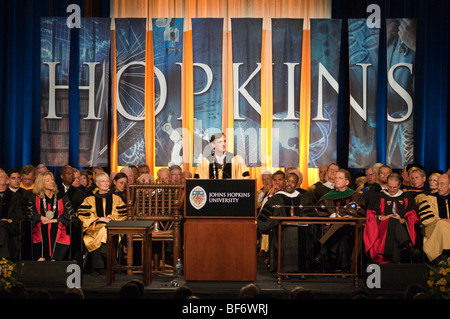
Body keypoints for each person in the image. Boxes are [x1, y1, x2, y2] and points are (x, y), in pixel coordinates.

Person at [257, 173, 317, 275]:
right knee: (288, 231)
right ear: (285, 181)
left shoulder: (304, 198)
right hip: (281, 230)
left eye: (293, 182)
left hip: (302, 230)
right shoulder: (276, 198)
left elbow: (312, 218)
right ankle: (283, 269)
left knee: (303, 233)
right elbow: (262, 220)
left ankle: (302, 270)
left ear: (297, 183)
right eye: (288, 181)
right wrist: (278, 221)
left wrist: (300, 220)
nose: (289, 184)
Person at [315, 169, 366, 272]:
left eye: (340, 178)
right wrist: (330, 217)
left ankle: (322, 248)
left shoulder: (355, 195)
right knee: (343, 236)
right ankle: (344, 268)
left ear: (347, 182)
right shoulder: (328, 196)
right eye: (335, 178)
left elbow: (358, 210)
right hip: (336, 227)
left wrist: (337, 214)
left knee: (343, 224)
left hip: (353, 226)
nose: (336, 180)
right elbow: (321, 211)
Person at [363, 173, 421, 263]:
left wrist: (403, 220)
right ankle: (408, 247)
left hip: (402, 226)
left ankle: (394, 259)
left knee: (394, 221)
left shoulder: (406, 197)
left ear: (399, 185)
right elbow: (371, 215)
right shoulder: (379, 196)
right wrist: (382, 217)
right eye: (390, 187)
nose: (392, 190)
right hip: (382, 227)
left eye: (395, 187)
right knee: (392, 220)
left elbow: (412, 215)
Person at [77, 172, 127, 275]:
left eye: (107, 181)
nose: (106, 183)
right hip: (93, 227)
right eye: (102, 181)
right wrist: (99, 219)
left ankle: (98, 266)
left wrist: (110, 218)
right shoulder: (89, 200)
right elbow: (83, 216)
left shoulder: (116, 199)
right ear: (97, 183)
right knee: (103, 229)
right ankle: (111, 261)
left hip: (113, 227)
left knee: (105, 229)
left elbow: (122, 215)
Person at [28, 172, 72, 261]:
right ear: (41, 183)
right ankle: (41, 257)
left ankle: (55, 258)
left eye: (52, 180)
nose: (51, 182)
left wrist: (55, 220)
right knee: (42, 229)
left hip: (59, 228)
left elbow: (70, 215)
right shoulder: (34, 198)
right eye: (47, 180)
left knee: (55, 229)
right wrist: (40, 217)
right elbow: (29, 214)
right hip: (40, 229)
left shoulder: (62, 197)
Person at [416, 173, 450, 263]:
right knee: (442, 224)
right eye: (437, 184)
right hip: (434, 230)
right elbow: (427, 220)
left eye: (442, 184)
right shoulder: (427, 199)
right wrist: (443, 221)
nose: (438, 187)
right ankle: (445, 256)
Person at [0, 170, 26, 260]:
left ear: (7, 181)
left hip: (12, 226)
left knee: (3, 225)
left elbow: (20, 215)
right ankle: (4, 259)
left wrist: (10, 220)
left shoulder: (15, 197)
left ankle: (3, 259)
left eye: (1, 176)